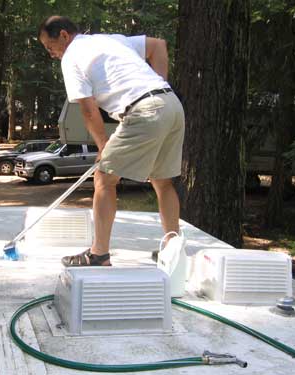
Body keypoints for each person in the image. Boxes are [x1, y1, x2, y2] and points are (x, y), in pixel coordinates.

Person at [38, 16, 185, 267]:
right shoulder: (108, 40)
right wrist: (159, 84)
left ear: (64, 35)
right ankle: (174, 254)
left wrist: (103, 145)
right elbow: (158, 45)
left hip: (143, 110)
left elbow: (88, 110)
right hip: (171, 105)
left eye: (50, 47)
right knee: (162, 181)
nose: (51, 54)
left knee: (104, 178)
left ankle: (99, 255)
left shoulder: (72, 57)